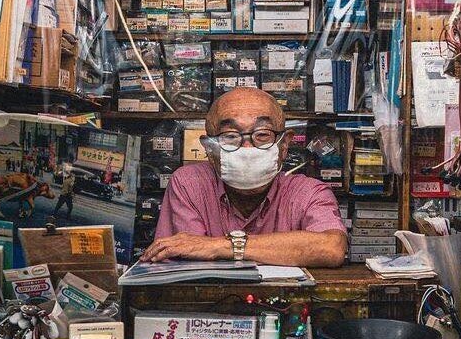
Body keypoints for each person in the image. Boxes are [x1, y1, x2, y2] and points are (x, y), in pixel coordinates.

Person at [143, 88, 348, 268]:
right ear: (209, 148)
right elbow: (186, 257)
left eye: (263, 135)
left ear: (284, 145)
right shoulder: (189, 184)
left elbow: (331, 248)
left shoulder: (309, 192)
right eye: (230, 136)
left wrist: (224, 246)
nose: (247, 148)